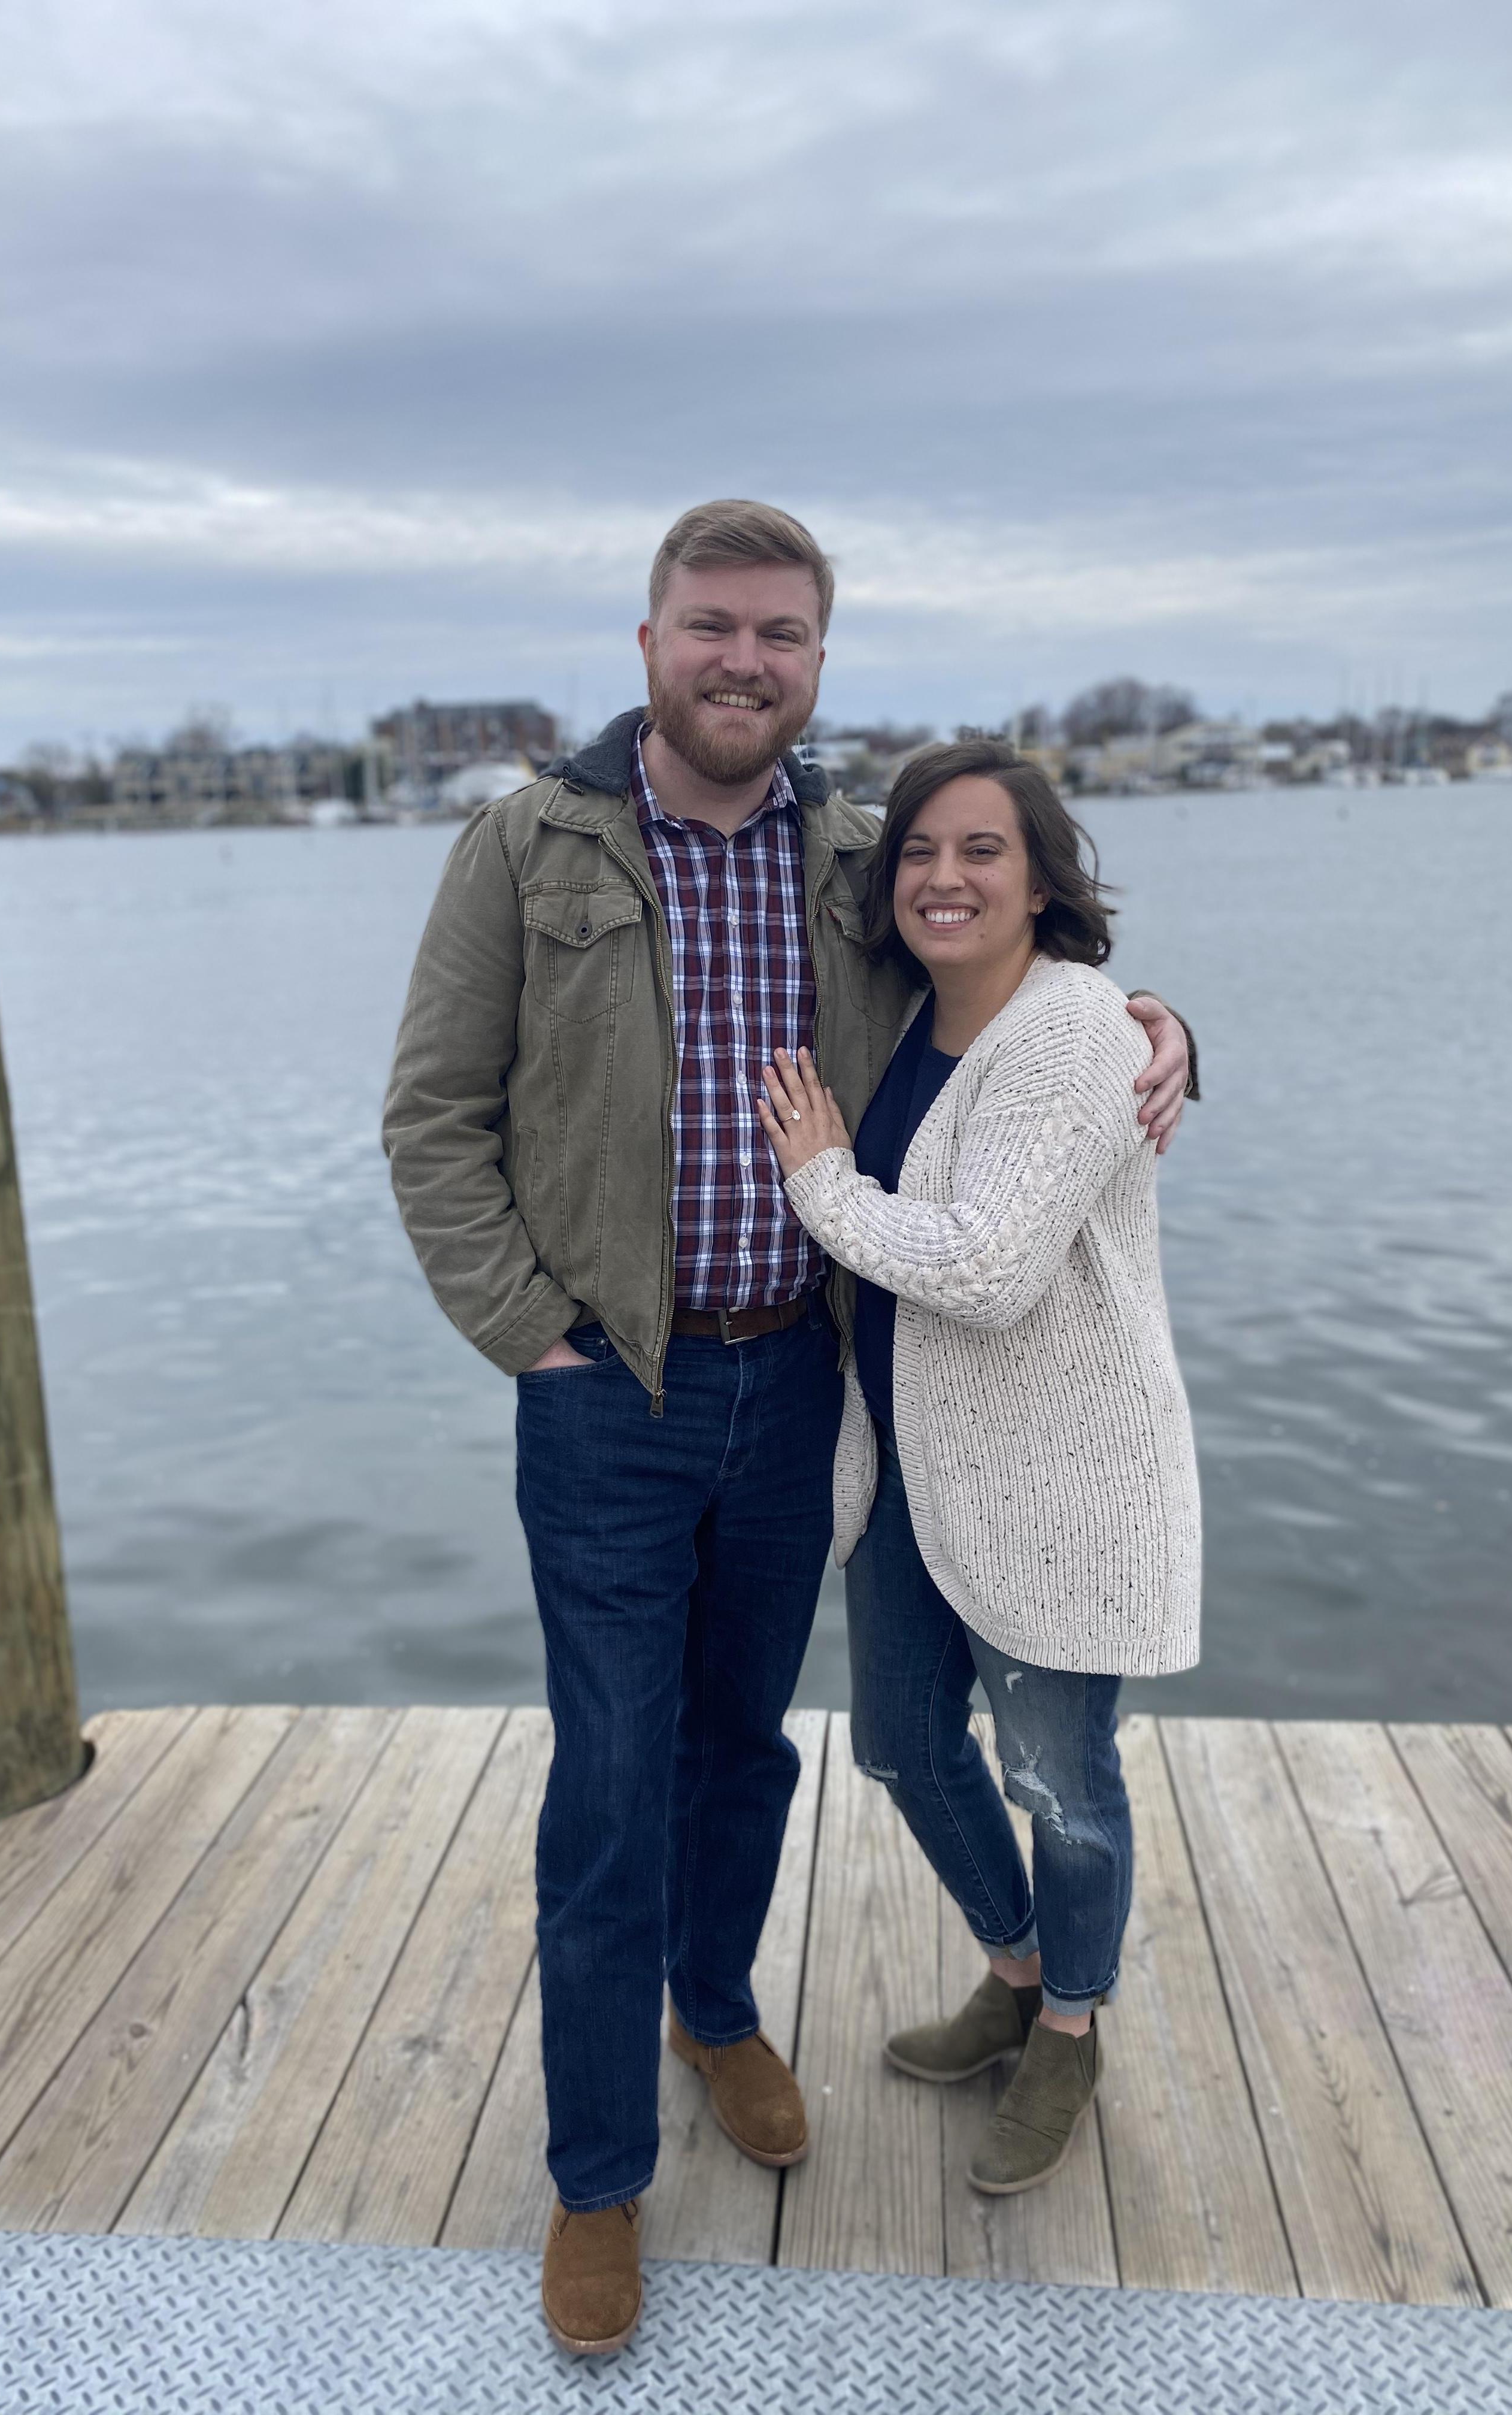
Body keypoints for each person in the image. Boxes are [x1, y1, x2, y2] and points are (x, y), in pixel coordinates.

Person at [382, 502, 1195, 2356]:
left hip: (806, 1381)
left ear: (818, 662)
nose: (745, 660)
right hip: (612, 1395)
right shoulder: (527, 847)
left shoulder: (858, 855)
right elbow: (433, 1120)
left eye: (782, 635)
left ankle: (715, 2003)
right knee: (609, 1788)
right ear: (651, 640)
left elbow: (1011, 986)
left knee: (745, 1749)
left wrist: (1158, 1015)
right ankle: (599, 2183)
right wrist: (534, 1340)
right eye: (712, 626)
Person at [756, 736, 1199, 2198]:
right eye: (921, 855)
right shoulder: (908, 1015)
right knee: (898, 1741)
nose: (945, 878)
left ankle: (1068, 2027)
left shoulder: (1071, 1030)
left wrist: (821, 1184)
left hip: (1059, 1480)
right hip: (904, 1468)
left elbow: (995, 1269)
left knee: (1063, 1784)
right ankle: (1018, 1973)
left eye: (982, 850)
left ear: (1041, 876)